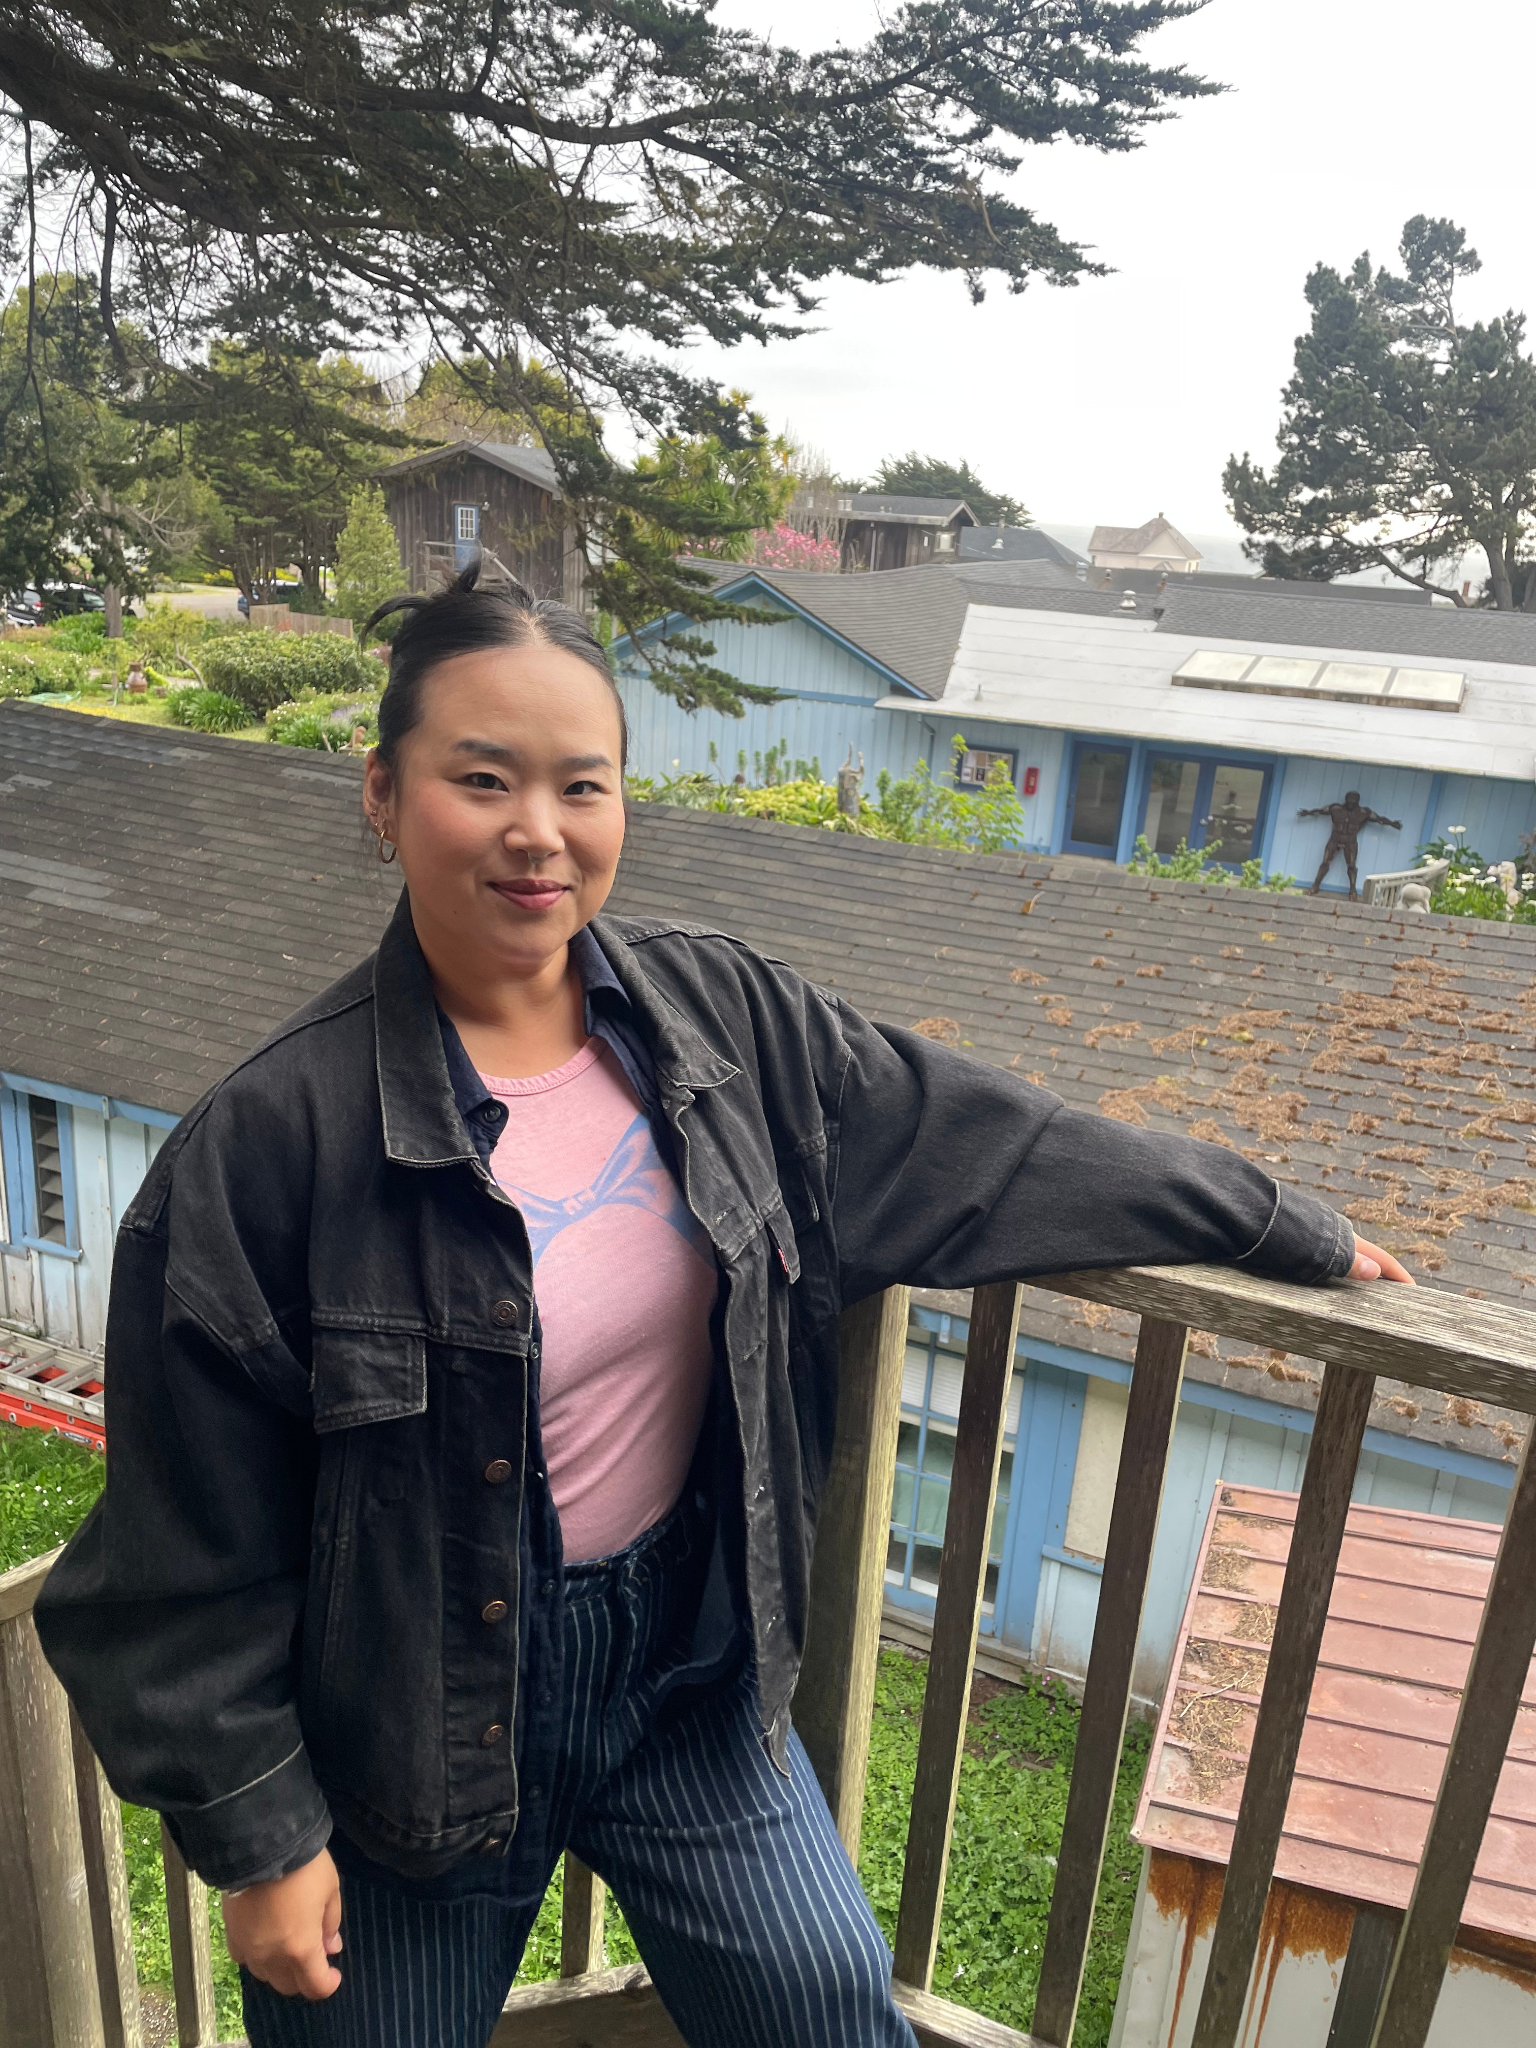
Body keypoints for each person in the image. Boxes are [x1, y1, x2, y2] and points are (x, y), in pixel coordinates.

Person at [35, 562, 1410, 2048]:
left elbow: (994, 1141)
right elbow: (178, 1551)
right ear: (383, 793)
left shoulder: (728, 1026)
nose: (539, 830)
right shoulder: (268, 1146)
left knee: (828, 2011)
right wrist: (259, 1835)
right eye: (482, 778)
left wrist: (1274, 1220)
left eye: (582, 784)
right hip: (405, 1740)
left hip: (685, 1667)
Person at [1299, 791, 1401, 899]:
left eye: (1354, 800)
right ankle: (1315, 886)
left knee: (1351, 866)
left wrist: (1392, 823)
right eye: (1349, 799)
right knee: (1325, 863)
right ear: (1346, 799)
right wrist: (1308, 813)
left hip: (1350, 842)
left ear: (1358, 801)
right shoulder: (1336, 808)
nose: (1351, 801)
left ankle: (1353, 891)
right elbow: (1320, 811)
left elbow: (1379, 819)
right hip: (1334, 839)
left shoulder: (1363, 812)